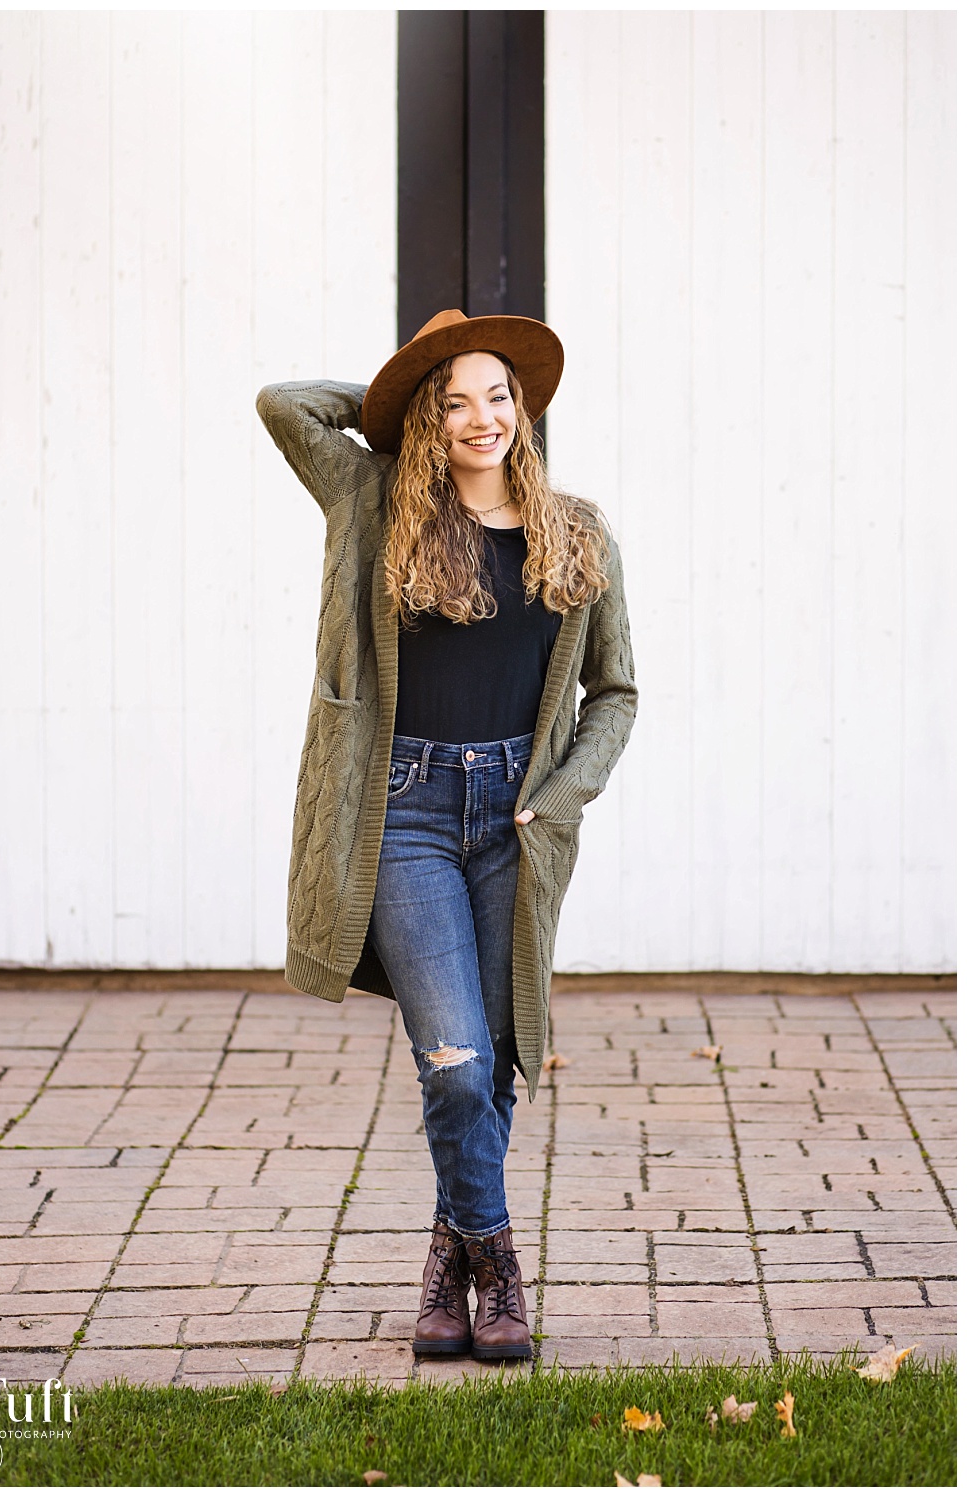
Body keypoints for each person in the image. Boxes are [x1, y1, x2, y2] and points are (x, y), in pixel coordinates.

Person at [257, 310, 636, 1361]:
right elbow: (285, 407)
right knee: (456, 1060)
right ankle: (497, 1259)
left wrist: (562, 791)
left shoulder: (580, 533)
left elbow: (616, 694)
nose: (480, 417)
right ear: (426, 413)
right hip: (404, 811)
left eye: (496, 395)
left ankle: (443, 1262)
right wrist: (392, 396)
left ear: (524, 408)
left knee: (498, 1051)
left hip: (514, 818)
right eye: (453, 398)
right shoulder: (374, 502)